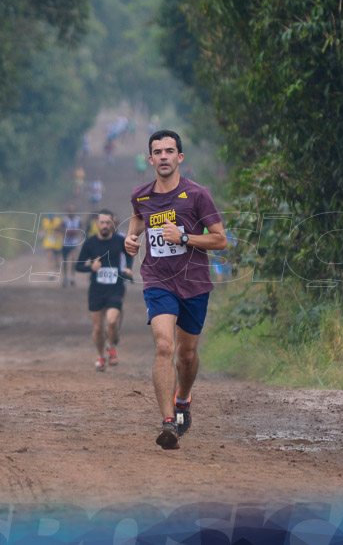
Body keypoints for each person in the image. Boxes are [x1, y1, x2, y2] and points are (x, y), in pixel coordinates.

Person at [124, 130, 227, 450]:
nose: (164, 156)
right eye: (158, 151)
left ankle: (183, 399)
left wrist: (184, 238)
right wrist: (131, 237)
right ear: (151, 159)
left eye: (170, 151)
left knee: (186, 354)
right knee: (164, 346)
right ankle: (168, 422)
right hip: (157, 280)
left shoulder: (197, 195)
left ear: (179, 157)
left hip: (194, 282)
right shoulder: (141, 195)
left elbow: (220, 239)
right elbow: (138, 217)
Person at [77, 209, 134, 371]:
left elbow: (129, 255)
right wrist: (91, 267)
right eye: (102, 223)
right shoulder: (90, 243)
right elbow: (78, 266)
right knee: (97, 328)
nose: (105, 226)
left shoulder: (119, 241)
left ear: (112, 223)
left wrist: (129, 269)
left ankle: (111, 345)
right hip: (96, 290)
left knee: (111, 320)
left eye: (108, 223)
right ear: (97, 224)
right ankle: (101, 356)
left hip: (115, 289)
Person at [61, 205, 84, 287]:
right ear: (68, 212)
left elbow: (82, 228)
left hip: (74, 243)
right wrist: (66, 230)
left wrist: (78, 232)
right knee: (65, 261)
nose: (71, 212)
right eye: (70, 211)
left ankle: (72, 277)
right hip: (65, 243)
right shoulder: (64, 220)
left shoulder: (78, 219)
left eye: (73, 211)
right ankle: (65, 277)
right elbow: (59, 228)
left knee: (74, 259)